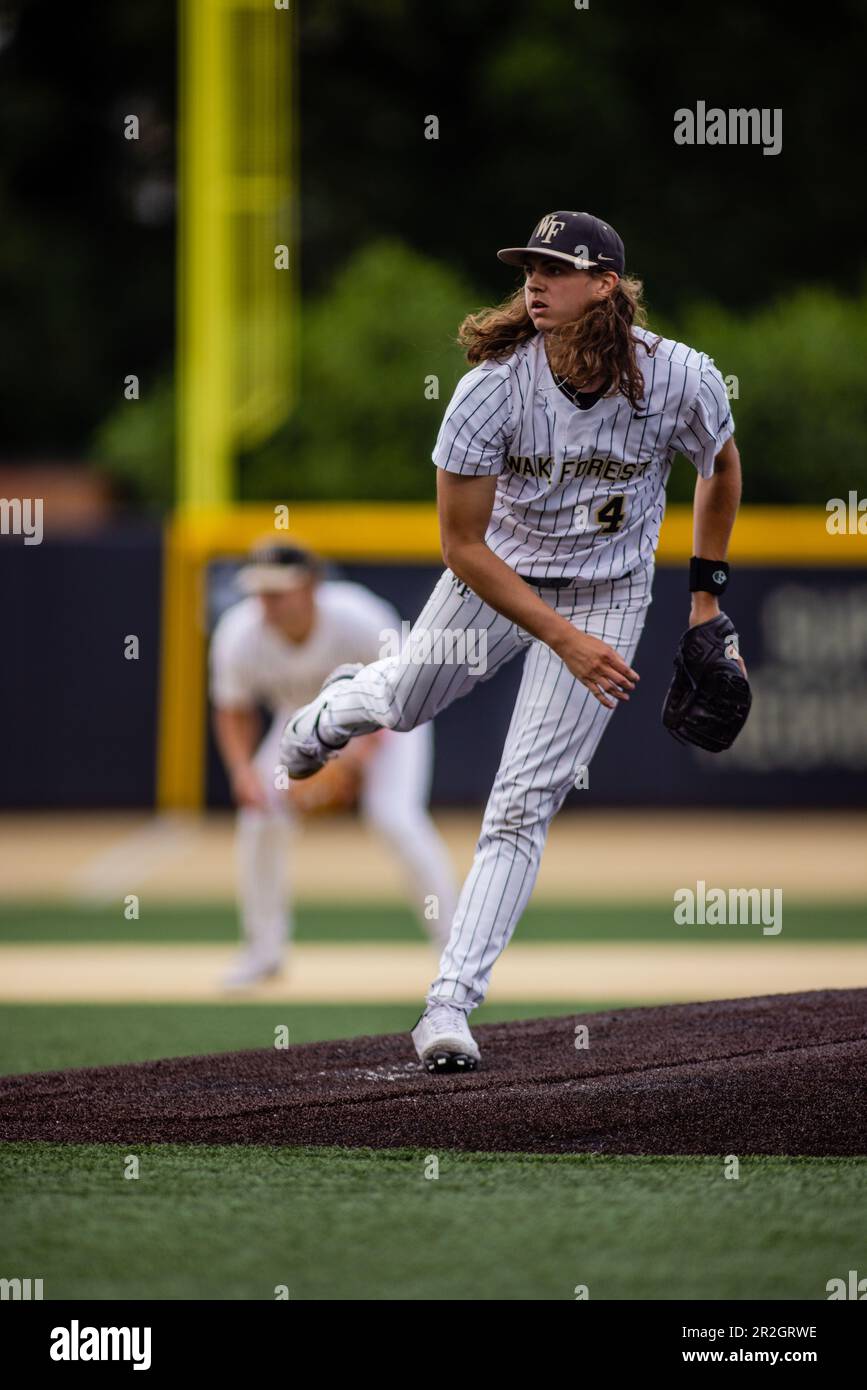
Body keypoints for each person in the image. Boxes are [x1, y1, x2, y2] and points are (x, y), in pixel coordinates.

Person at [279, 209, 744, 1069]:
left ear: (605, 284)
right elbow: (461, 546)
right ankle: (333, 712)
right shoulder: (492, 387)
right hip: (494, 583)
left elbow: (720, 467)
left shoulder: (681, 378)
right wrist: (563, 639)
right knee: (403, 704)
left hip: (608, 592)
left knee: (523, 801)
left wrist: (705, 604)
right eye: (529, 266)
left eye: (556, 268)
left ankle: (447, 1006)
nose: (535, 280)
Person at [209, 541, 457, 987]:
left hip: (387, 719)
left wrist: (353, 760)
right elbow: (233, 709)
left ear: (311, 586)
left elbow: (407, 690)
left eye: (279, 591)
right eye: (260, 592)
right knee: (259, 818)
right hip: (302, 722)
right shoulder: (238, 634)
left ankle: (454, 946)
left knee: (396, 819)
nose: (267, 602)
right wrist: (242, 770)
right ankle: (263, 952)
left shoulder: (358, 616)